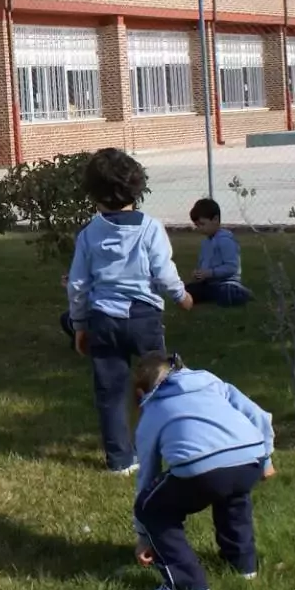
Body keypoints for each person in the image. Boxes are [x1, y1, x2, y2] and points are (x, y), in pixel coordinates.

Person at [67, 148, 192, 475]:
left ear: (94, 195)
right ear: (138, 187)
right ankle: (175, 444)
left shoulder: (89, 234)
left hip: (102, 320)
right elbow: (164, 271)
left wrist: (80, 325)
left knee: (109, 392)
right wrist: (181, 295)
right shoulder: (150, 228)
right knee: (162, 383)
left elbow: (78, 284)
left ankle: (120, 460)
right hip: (143, 318)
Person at [131, 351, 276, 590]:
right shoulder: (211, 382)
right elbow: (258, 415)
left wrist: (145, 537)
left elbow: (148, 474)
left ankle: (187, 585)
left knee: (150, 507)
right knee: (233, 496)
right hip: (248, 458)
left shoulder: (153, 410)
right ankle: (243, 566)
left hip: (200, 469)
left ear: (142, 393)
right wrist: (266, 459)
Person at [186, 198, 252, 307]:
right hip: (209, 284)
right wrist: (199, 273)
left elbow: (232, 267)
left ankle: (242, 293)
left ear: (215, 219)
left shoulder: (226, 240)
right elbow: (203, 264)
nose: (200, 228)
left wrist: (210, 273)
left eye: (202, 224)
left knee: (227, 292)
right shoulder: (205, 243)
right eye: (197, 225)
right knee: (187, 290)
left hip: (227, 283)